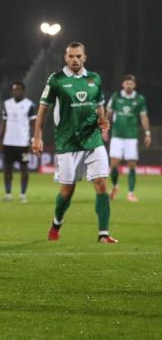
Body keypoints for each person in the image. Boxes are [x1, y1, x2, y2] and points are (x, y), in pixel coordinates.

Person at [32, 42, 116, 243]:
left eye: (78, 56)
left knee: (101, 183)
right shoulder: (56, 80)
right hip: (68, 143)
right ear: (65, 57)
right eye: (71, 56)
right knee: (67, 190)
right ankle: (56, 224)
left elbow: (99, 108)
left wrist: (102, 120)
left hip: (93, 140)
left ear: (84, 57)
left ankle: (103, 234)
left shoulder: (94, 79)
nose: (75, 60)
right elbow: (43, 109)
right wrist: (37, 136)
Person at [106, 75, 151, 202]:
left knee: (132, 164)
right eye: (126, 83)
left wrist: (147, 133)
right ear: (123, 84)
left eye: (131, 83)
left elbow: (143, 117)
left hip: (131, 137)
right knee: (113, 165)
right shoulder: (116, 96)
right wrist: (104, 129)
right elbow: (108, 113)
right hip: (116, 135)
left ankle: (130, 193)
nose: (128, 85)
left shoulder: (139, 99)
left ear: (134, 85)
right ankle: (115, 187)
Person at [0, 81, 36, 203]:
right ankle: (8, 193)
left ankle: (22, 194)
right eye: (14, 89)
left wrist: (33, 140)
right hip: (8, 142)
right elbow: (4, 122)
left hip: (23, 143)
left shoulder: (29, 105)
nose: (16, 91)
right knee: (7, 168)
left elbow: (33, 124)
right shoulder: (7, 104)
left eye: (19, 89)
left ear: (23, 91)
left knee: (24, 168)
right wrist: (0, 138)